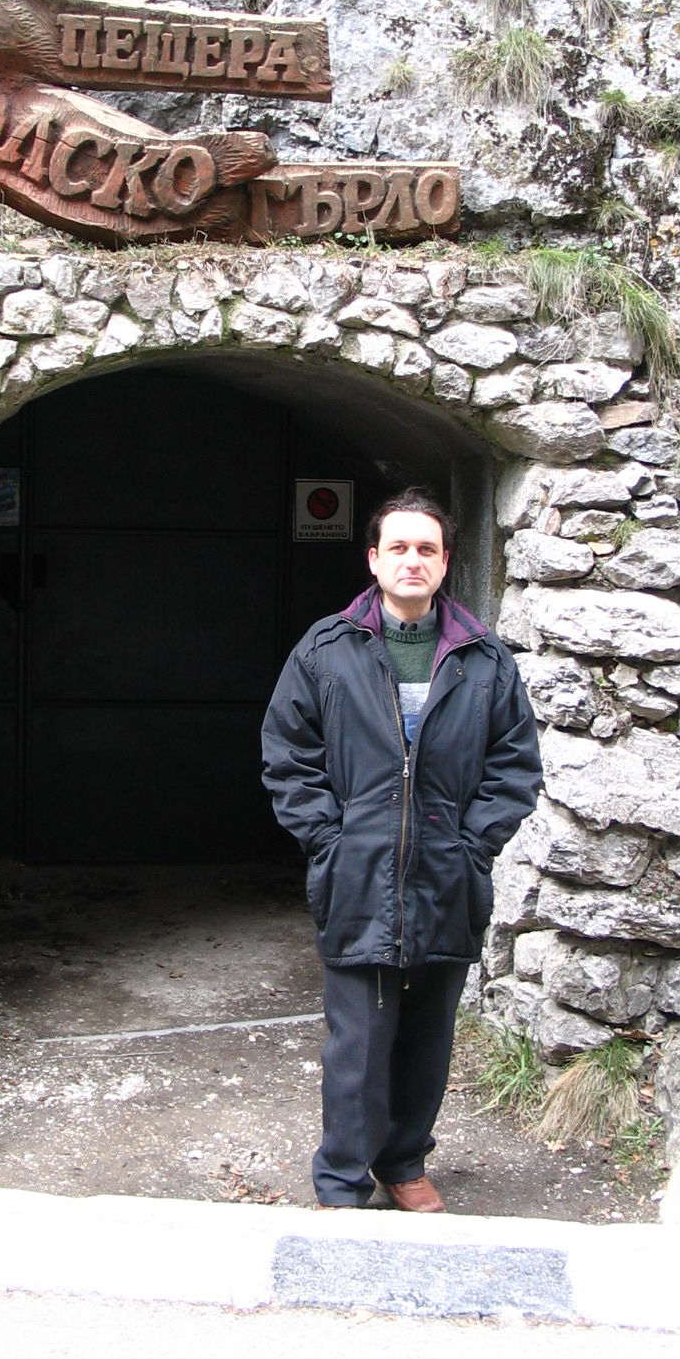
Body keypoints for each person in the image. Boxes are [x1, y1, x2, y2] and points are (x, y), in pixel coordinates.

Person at [261, 488, 542, 1211]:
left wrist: (473, 847)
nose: (411, 560)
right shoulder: (327, 650)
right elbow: (288, 754)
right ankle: (342, 1180)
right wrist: (330, 840)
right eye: (398, 548)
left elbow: (514, 765)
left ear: (445, 563)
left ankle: (404, 1162)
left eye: (426, 549)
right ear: (373, 559)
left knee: (427, 1039)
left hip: (447, 877)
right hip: (358, 876)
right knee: (358, 1043)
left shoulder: (484, 659)